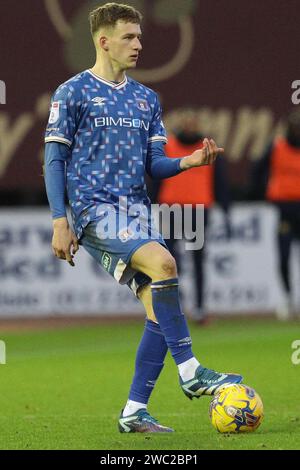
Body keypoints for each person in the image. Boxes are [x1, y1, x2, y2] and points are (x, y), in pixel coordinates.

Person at [44, 2, 242, 433]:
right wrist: (61, 219)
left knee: (159, 309)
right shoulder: (72, 92)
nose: (138, 44)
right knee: (167, 264)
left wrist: (186, 162)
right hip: (95, 210)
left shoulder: (146, 99)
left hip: (138, 212)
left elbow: (155, 163)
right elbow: (54, 159)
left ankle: (134, 410)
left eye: (139, 36)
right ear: (103, 41)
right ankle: (190, 371)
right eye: (129, 37)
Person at [156, 113, 230, 322]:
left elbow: (220, 180)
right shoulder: (168, 146)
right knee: (167, 261)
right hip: (170, 208)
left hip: (197, 209)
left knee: (197, 259)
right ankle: (171, 306)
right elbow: (155, 175)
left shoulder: (207, 149)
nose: (189, 129)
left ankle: (199, 307)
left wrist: (225, 207)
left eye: (193, 125)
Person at [250, 109, 300, 320]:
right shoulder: (277, 147)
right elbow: (257, 171)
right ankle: (288, 299)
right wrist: (266, 192)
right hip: (285, 210)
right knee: (284, 257)